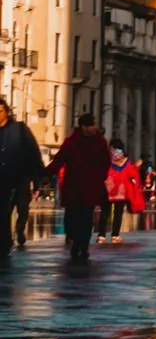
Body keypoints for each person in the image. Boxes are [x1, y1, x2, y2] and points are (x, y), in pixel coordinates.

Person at [50, 113, 113, 268]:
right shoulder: (71, 142)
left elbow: (106, 162)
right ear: (84, 127)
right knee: (71, 217)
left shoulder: (100, 142)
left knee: (85, 217)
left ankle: (82, 245)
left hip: (90, 186)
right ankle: (75, 239)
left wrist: (100, 177)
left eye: (94, 124)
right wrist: (44, 172)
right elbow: (59, 160)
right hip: (73, 186)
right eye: (92, 125)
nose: (94, 128)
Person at [0, 104, 44, 255]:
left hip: (20, 178)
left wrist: (38, 177)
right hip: (2, 179)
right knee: (4, 212)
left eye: (0, 111)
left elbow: (33, 152)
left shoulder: (19, 129)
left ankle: (19, 229)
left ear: (6, 112)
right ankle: (5, 241)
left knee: (22, 207)